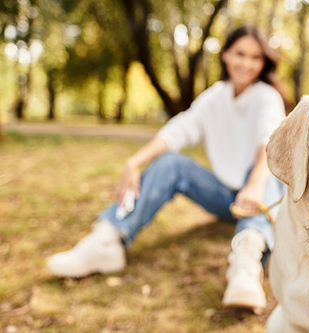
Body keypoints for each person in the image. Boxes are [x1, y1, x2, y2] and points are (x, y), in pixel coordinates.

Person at [47, 25, 287, 311]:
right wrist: (133, 161)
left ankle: (246, 264)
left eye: (256, 57)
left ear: (264, 63)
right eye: (240, 54)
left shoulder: (266, 96)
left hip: (262, 194)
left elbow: (268, 141)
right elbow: (179, 130)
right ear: (225, 55)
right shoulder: (215, 96)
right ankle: (107, 241)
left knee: (264, 169)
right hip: (228, 197)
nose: (246, 63)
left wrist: (255, 184)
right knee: (171, 163)